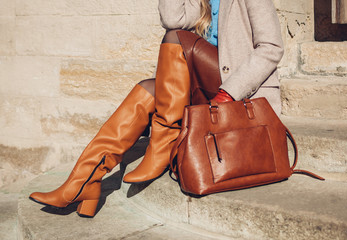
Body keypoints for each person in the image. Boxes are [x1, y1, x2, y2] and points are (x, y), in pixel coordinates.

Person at [29, 0, 284, 217]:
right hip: (206, 90)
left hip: (241, 93)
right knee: (148, 88)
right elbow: (172, 17)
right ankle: (85, 179)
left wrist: (229, 91)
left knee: (174, 40)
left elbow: (272, 47)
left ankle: (155, 147)